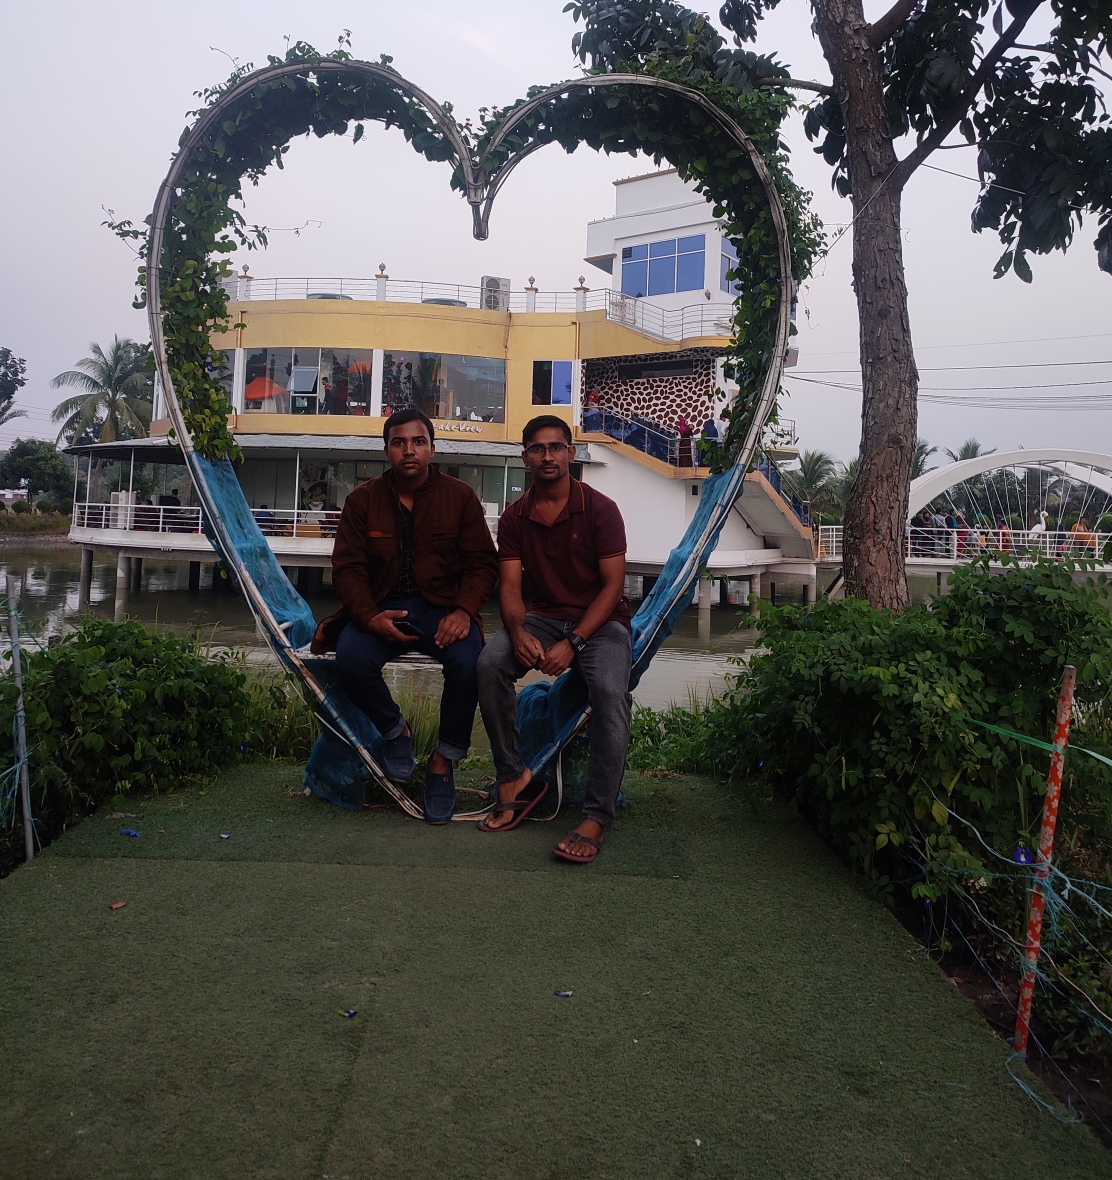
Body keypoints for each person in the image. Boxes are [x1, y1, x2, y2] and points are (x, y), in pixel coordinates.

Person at [312, 407, 498, 823]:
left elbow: (482, 564)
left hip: (441, 609)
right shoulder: (362, 500)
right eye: (399, 443)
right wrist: (368, 617)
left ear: (432, 448)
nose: (409, 450)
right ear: (387, 450)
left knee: (469, 661)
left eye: (418, 442)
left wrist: (463, 611)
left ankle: (443, 760)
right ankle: (396, 730)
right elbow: (348, 569)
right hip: (381, 607)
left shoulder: (460, 497)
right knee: (351, 659)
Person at [476, 414, 632, 865]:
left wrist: (575, 643)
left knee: (610, 692)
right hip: (543, 618)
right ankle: (512, 775)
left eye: (556, 447)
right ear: (525, 457)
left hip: (602, 623)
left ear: (571, 452)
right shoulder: (514, 517)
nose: (548, 456)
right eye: (538, 448)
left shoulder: (600, 509)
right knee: (489, 664)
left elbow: (613, 588)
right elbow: (509, 588)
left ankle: (596, 816)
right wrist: (517, 631)